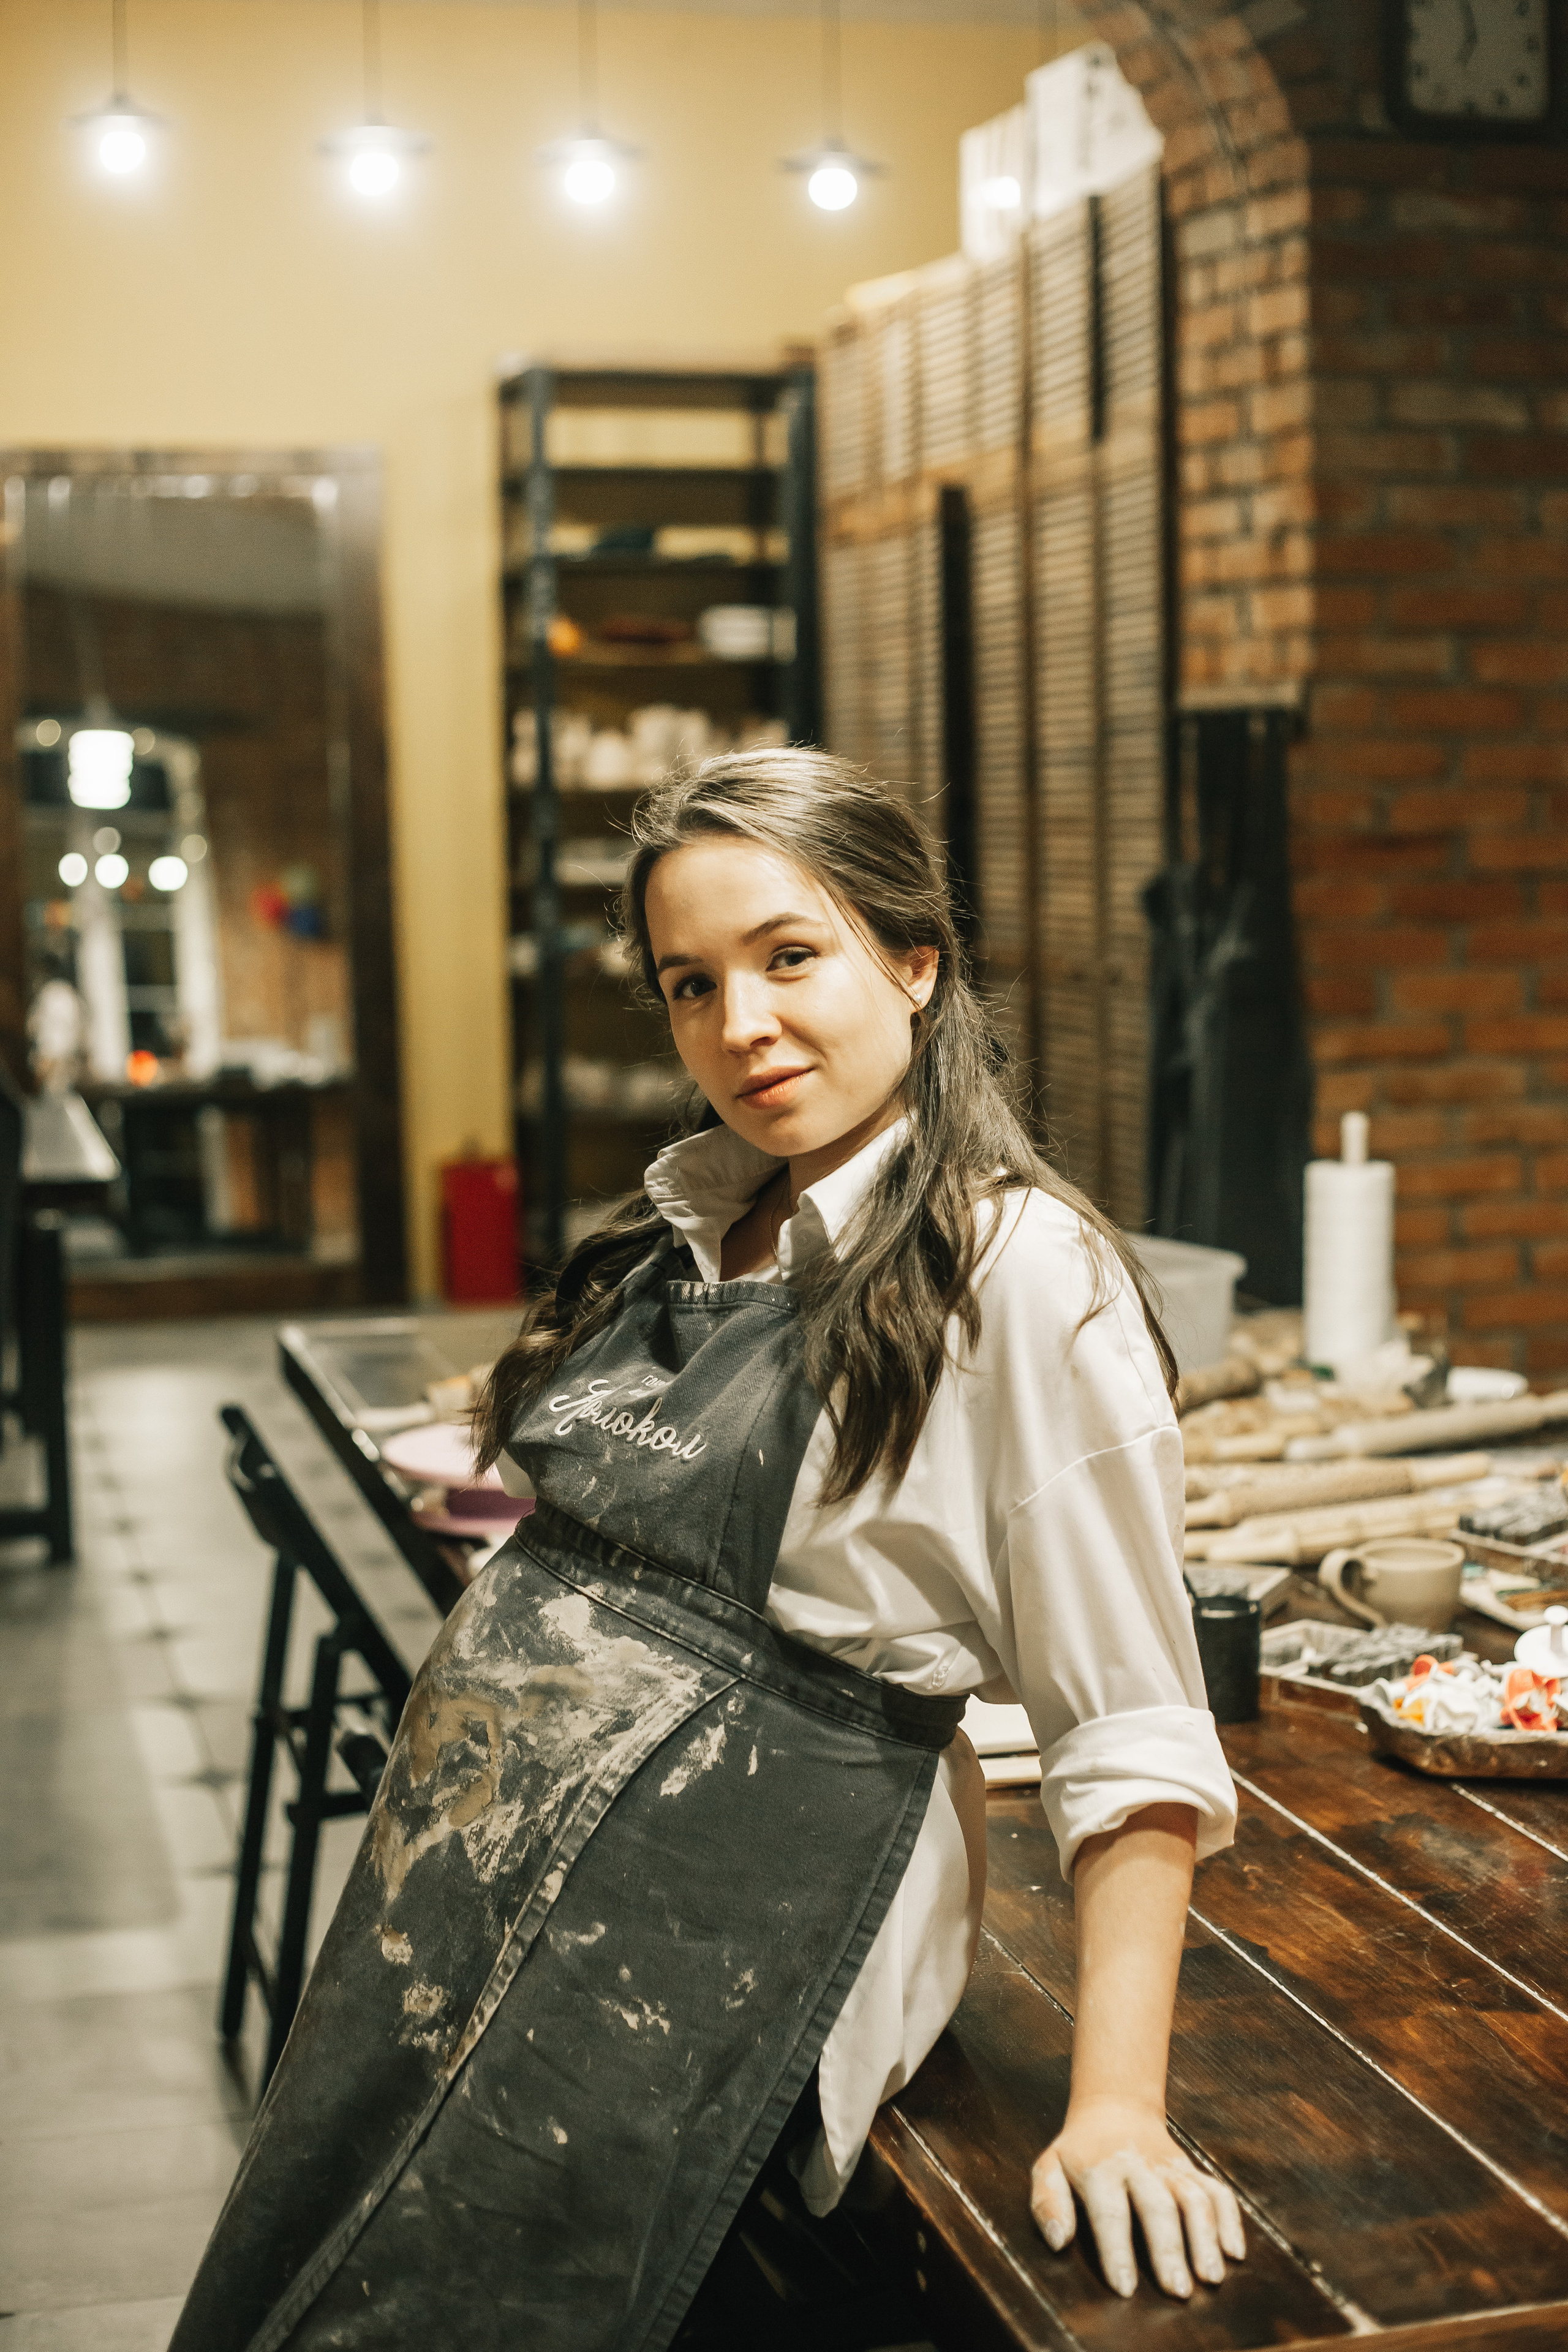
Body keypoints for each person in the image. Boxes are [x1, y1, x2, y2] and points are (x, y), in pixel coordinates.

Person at [171, 750, 1243, 2352]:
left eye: (789, 956)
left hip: (724, 1956)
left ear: (915, 958)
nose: (739, 1025)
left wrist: (1117, 2110)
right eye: (691, 983)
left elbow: (1133, 1727)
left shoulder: (1017, 1274)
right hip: (477, 1912)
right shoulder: (694, 1226)